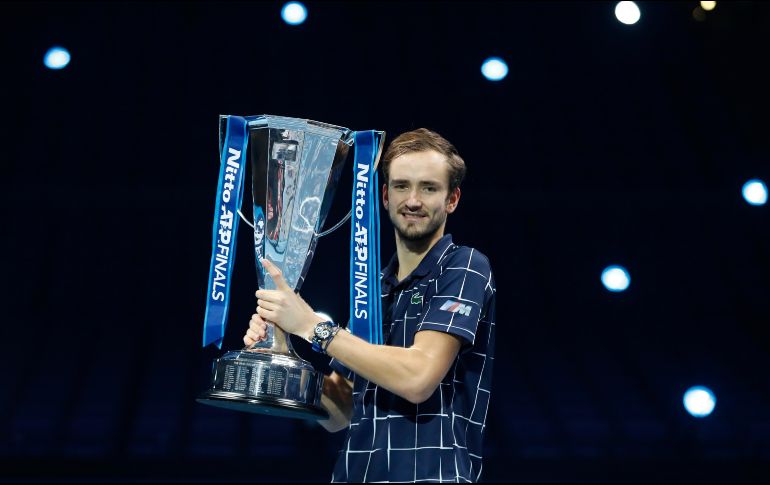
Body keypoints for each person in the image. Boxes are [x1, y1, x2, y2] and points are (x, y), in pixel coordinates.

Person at [244, 128, 496, 483]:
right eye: (401, 186)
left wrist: (312, 326)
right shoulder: (372, 289)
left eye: (429, 188)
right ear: (384, 195)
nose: (413, 200)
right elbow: (338, 412)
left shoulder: (464, 266)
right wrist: (284, 346)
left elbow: (418, 378)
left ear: (452, 199)